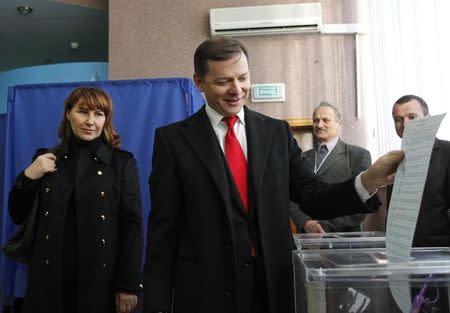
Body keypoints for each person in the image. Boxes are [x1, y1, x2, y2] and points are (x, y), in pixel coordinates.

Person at [143, 35, 404, 313]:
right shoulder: (173, 141)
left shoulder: (276, 133)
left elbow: (313, 196)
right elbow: (163, 230)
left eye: (243, 77)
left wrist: (368, 180)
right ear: (199, 82)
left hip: (271, 287)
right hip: (206, 291)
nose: (237, 89)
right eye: (223, 82)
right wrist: (157, 304)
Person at [8, 87, 144, 313]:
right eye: (83, 112)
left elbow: (132, 226)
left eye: (98, 114)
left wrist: (129, 284)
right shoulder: (46, 159)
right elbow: (17, 214)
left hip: (101, 281)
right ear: (69, 113)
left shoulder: (121, 164)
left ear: (106, 119)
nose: (91, 121)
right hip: (49, 281)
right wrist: (29, 175)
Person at [291, 101, 372, 233]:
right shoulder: (301, 158)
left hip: (344, 240)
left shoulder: (358, 155)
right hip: (307, 238)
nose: (319, 124)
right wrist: (305, 222)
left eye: (325, 120)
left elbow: (361, 200)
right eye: (316, 120)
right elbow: (292, 196)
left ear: (339, 124)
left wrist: (323, 226)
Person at [388, 95, 450, 247]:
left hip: (440, 255)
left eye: (412, 117)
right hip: (401, 253)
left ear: (428, 119)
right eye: (398, 119)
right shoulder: (393, 160)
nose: (405, 124)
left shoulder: (448, 152)